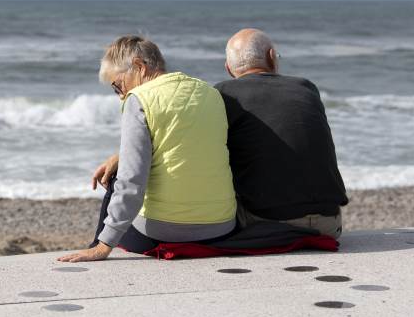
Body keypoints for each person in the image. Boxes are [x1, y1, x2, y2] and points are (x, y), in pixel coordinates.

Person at [58, 36, 237, 262]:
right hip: (221, 227)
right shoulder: (210, 93)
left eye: (118, 86)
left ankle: (97, 244)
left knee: (115, 178)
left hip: (166, 232)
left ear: (139, 67)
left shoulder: (139, 99)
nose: (121, 95)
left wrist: (104, 245)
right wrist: (121, 155)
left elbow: (132, 180)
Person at [215, 28, 347, 238]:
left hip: (266, 223)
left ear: (229, 69)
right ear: (272, 56)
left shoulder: (222, 94)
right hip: (329, 224)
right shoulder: (306, 87)